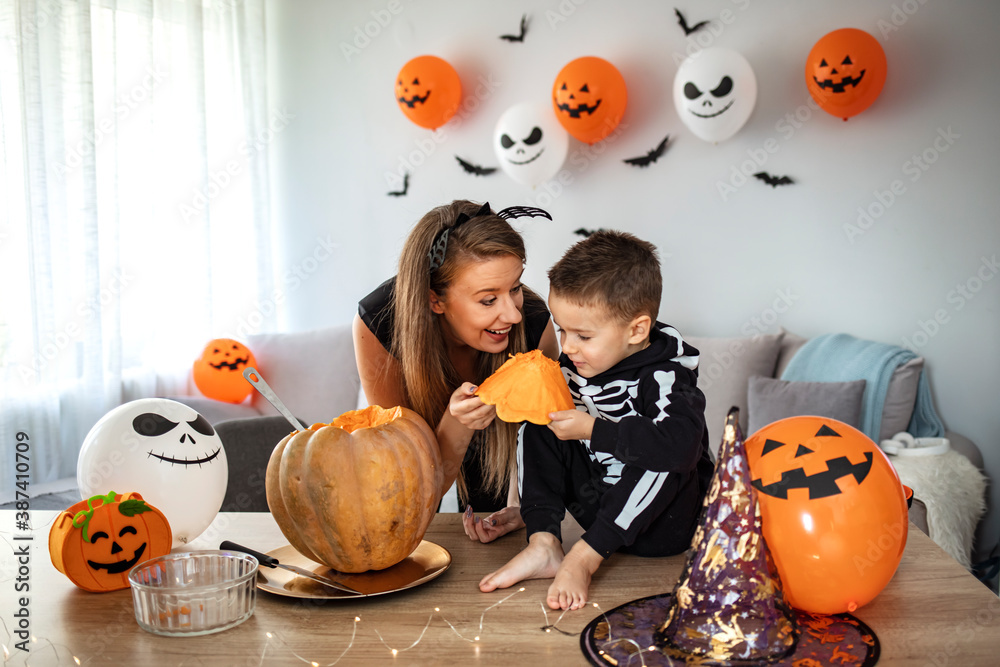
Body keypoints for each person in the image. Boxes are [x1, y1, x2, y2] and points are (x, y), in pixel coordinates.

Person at [479, 230, 714, 610]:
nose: (568, 347)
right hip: (598, 507)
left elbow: (682, 445)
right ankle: (544, 544)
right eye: (562, 330)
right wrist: (497, 398)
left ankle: (583, 558)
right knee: (541, 419)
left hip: (663, 528)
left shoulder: (666, 375)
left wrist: (593, 429)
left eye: (583, 335)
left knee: (669, 455)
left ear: (636, 330)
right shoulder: (574, 364)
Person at [353, 200, 559, 542]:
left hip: (501, 463)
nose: (513, 315)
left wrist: (524, 506)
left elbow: (542, 443)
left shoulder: (535, 321)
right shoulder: (379, 323)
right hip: (419, 471)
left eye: (515, 287)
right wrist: (457, 424)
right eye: (488, 300)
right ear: (436, 300)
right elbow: (407, 499)